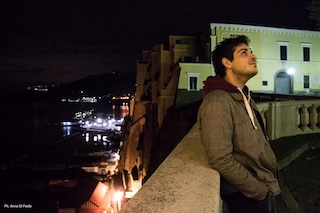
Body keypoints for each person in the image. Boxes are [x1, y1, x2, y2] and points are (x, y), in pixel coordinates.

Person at [198, 35, 281, 213]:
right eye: (244, 53)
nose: (253, 56)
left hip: (263, 186)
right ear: (227, 62)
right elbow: (220, 159)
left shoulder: (242, 96)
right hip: (247, 198)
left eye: (251, 52)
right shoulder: (217, 101)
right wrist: (258, 190)